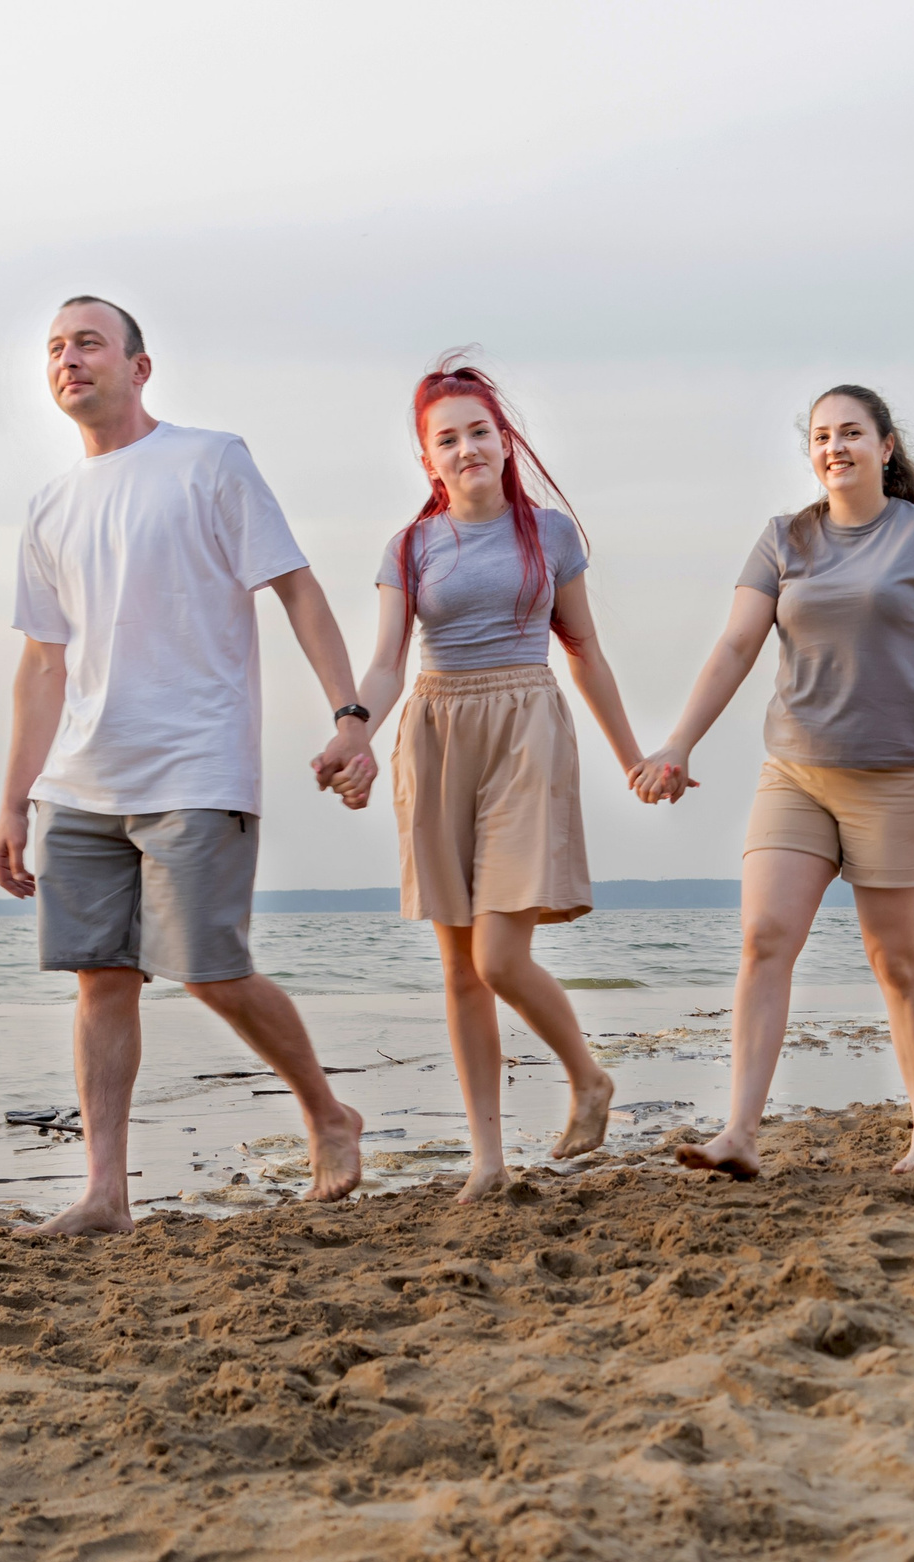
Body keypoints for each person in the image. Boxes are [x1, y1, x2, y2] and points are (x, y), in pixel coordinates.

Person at [0, 294, 372, 1237]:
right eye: (54, 349)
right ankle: (107, 1192)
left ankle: (328, 1112)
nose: (69, 360)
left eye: (88, 343)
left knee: (209, 969)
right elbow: (42, 664)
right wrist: (12, 801)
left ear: (139, 365)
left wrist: (350, 714)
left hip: (196, 765)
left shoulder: (209, 461)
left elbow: (298, 590)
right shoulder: (48, 505)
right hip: (81, 780)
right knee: (100, 979)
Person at [634, 384, 914, 1178]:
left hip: (896, 777)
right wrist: (679, 744)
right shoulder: (781, 538)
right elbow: (734, 645)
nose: (836, 447)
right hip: (795, 771)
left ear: (887, 446)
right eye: (822, 436)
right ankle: (740, 1135)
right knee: (764, 940)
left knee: (895, 961)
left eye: (852, 433)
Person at [325, 358, 646, 1202]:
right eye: (447, 439)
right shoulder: (409, 547)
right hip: (435, 731)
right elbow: (388, 664)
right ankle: (488, 1160)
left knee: (500, 955)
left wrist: (632, 758)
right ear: (427, 459)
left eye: (479, 432)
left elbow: (588, 656)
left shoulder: (550, 535)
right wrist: (355, 733)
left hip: (524, 728)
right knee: (459, 967)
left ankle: (588, 1077)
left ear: (505, 443)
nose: (466, 448)